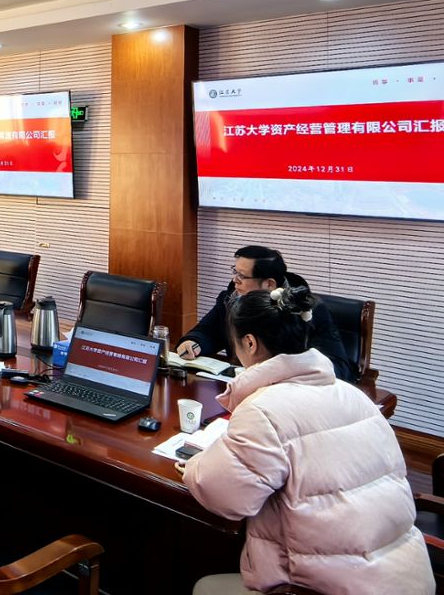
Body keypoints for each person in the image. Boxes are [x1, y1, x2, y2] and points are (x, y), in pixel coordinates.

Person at [181, 287, 432, 595]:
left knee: (204, 586)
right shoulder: (354, 396)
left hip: (328, 587)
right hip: (408, 579)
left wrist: (194, 464)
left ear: (249, 343)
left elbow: (226, 497)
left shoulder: (263, 410)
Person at [174, 246, 353, 381]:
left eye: (242, 276)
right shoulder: (231, 299)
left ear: (269, 284)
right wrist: (195, 342)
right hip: (241, 382)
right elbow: (209, 331)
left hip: (288, 390)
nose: (235, 280)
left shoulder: (306, 310)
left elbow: (338, 367)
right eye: (235, 272)